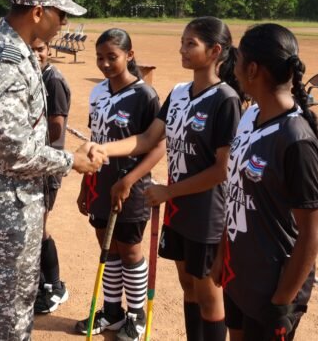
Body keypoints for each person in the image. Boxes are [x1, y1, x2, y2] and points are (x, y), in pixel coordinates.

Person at [0, 0, 105, 340]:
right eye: (62, 13)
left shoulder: (15, 52)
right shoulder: (3, 61)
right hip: (2, 210)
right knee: (1, 313)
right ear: (38, 12)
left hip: (10, 205)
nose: (64, 22)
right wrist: (72, 161)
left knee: (11, 303)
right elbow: (16, 153)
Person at [91, 17, 242, 341]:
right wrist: (102, 148)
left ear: (215, 51)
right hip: (178, 210)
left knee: (208, 294)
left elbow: (222, 170)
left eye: (191, 44)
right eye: (182, 42)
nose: (182, 49)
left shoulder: (226, 99)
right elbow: (147, 138)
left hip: (207, 213)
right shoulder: (179, 92)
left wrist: (169, 192)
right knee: (188, 285)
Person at [215, 23, 318, 341]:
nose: (233, 69)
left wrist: (282, 302)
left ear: (252, 69)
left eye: (238, 60)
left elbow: (312, 232)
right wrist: (222, 254)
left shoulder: (295, 140)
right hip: (240, 271)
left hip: (272, 286)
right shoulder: (250, 116)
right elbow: (236, 194)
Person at [74, 28, 165, 340]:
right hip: (100, 184)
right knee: (107, 247)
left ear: (129, 55)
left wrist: (128, 180)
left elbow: (157, 146)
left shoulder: (145, 96)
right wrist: (86, 183)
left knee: (129, 251)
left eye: (112, 57)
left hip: (131, 187)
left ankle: (136, 315)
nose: (105, 64)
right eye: (100, 57)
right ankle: (112, 312)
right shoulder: (98, 92)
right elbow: (95, 140)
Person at [30, 37, 73, 314]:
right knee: (32, 228)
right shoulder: (32, 75)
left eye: (41, 49)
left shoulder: (53, 80)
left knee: (39, 228)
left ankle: (55, 286)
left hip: (48, 164)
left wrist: (27, 143)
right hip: (34, 163)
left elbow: (56, 128)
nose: (36, 54)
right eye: (31, 48)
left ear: (49, 50)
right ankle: (39, 282)